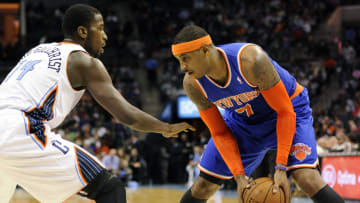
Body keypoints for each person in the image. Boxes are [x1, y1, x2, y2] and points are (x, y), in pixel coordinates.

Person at [0, 4, 194, 203]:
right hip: (20, 131)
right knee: (109, 188)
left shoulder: (39, 50)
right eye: (100, 28)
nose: (105, 36)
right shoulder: (85, 62)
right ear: (83, 31)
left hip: (6, 125)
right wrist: (165, 127)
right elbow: (126, 115)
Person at [171, 25, 344, 203]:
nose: (182, 67)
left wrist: (281, 167)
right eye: (178, 60)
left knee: (306, 178)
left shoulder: (251, 60)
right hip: (243, 122)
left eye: (185, 59)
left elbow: (285, 112)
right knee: (203, 186)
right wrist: (239, 176)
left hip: (287, 110)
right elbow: (220, 133)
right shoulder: (192, 85)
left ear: (205, 50)